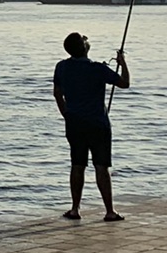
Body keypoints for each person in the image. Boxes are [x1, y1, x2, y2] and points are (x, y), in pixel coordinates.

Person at [52, 30, 129, 222]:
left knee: (77, 165)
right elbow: (124, 83)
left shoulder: (61, 67)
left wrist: (66, 115)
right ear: (85, 48)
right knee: (101, 167)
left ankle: (75, 209)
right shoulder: (97, 69)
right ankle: (109, 211)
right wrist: (122, 63)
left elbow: (57, 94)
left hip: (74, 123)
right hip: (98, 124)